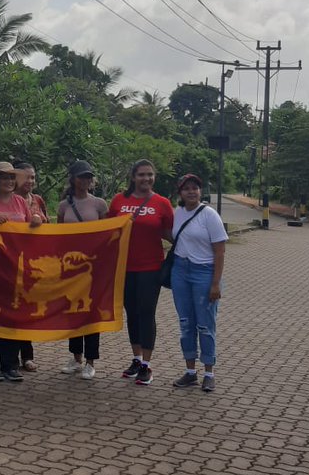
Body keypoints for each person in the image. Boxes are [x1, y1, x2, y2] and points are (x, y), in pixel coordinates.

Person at [0, 161, 42, 382]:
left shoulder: (21, 202)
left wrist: (36, 222)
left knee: (13, 314)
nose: (10, 182)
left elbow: (31, 227)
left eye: (12, 178)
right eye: (5, 178)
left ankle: (10, 364)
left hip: (16, 266)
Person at [107, 159, 174, 386]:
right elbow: (108, 230)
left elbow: (170, 233)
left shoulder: (162, 203)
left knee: (147, 313)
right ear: (133, 177)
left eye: (150, 175)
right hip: (124, 268)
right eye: (141, 175)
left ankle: (147, 364)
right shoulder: (118, 200)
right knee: (132, 313)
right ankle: (136, 358)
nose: (146, 179)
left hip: (151, 268)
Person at [169, 174, 228, 393]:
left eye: (195, 188)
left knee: (205, 324)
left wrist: (216, 283)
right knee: (186, 323)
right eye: (186, 189)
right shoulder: (178, 214)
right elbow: (172, 236)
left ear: (200, 191)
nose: (191, 192)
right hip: (180, 271)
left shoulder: (209, 215)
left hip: (204, 272)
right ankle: (190, 371)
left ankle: (209, 373)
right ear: (180, 193)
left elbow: (220, 251)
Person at [56, 160, 109, 381]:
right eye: (81, 177)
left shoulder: (99, 204)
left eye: (88, 177)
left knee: (91, 313)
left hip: (92, 268)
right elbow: (58, 235)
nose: (85, 181)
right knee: (73, 312)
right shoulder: (63, 206)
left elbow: (107, 233)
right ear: (73, 179)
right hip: (71, 268)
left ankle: (90, 361)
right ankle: (76, 358)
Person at [13, 161, 46, 372]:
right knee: (12, 307)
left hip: (32, 263)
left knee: (27, 309)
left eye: (33, 177)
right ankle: (10, 355)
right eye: (26, 177)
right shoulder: (9, 201)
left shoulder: (38, 200)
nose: (30, 181)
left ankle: (27, 355)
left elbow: (48, 226)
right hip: (9, 261)